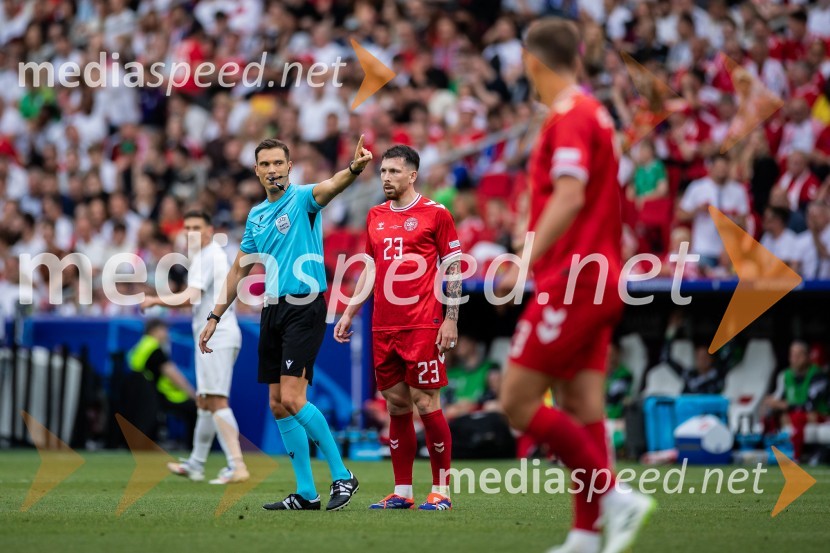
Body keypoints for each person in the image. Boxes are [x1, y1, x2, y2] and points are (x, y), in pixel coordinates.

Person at [497, 18, 654, 553]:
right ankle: (586, 538)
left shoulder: (571, 114)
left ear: (534, 61)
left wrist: (524, 258)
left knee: (516, 400)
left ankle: (614, 496)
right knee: (582, 405)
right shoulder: (594, 113)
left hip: (573, 278)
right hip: (596, 275)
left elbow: (569, 193)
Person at [199, 136, 372, 511]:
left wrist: (355, 168)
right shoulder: (257, 216)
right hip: (272, 310)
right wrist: (215, 315)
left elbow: (332, 185)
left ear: (289, 167)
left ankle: (343, 475)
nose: (273, 170)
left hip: (305, 306)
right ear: (257, 170)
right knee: (278, 404)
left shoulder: (304, 199)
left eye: (279, 163)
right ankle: (307, 493)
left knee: (294, 398)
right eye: (266, 164)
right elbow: (239, 269)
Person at [333, 144, 462, 511]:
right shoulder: (375, 215)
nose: (386, 178)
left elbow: (453, 267)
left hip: (422, 322)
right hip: (383, 325)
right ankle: (402, 491)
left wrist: (451, 318)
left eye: (393, 171)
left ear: (412, 175)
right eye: (383, 172)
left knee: (425, 400)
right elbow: (371, 270)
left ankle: (441, 490)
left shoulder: (436, 214)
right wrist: (349, 311)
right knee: (395, 404)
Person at [141, 210, 247, 485]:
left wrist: (156, 300)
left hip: (218, 336)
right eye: (187, 227)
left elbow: (191, 297)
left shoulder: (208, 255)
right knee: (204, 402)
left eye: (197, 227)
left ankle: (237, 464)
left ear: (210, 230)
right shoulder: (206, 256)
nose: (191, 233)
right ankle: (196, 464)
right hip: (216, 335)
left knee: (216, 400)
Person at [122, 319, 197, 445]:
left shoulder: (142, 345)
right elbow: (174, 376)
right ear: (155, 331)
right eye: (164, 330)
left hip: (142, 397)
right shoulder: (154, 348)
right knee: (195, 409)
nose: (167, 333)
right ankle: (195, 447)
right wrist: (193, 395)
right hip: (158, 396)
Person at [764, 340, 829, 462]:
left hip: (820, 415)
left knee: (797, 417)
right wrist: (771, 403)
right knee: (770, 415)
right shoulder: (785, 375)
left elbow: (810, 405)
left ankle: (795, 457)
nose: (795, 359)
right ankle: (771, 452)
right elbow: (777, 398)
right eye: (792, 355)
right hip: (796, 414)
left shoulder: (817, 375)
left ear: (808, 357)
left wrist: (786, 406)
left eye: (799, 355)